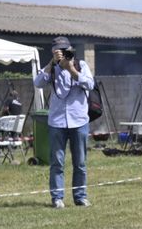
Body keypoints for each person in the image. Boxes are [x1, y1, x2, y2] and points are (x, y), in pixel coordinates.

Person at [32, 36, 95, 208]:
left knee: (80, 162)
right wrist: (52, 64)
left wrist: (72, 70)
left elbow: (90, 84)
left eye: (64, 51)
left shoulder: (81, 65)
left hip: (79, 121)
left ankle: (80, 196)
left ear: (70, 50)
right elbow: (37, 83)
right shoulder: (52, 68)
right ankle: (57, 198)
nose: (62, 54)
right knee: (57, 162)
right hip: (57, 122)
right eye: (57, 51)